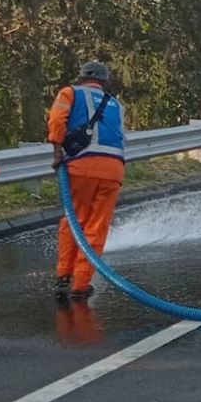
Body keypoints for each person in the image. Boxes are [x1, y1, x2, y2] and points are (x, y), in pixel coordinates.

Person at [49, 61, 126, 300]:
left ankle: (64, 276)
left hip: (81, 168)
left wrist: (57, 154)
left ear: (82, 77)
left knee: (74, 221)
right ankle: (80, 285)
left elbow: (56, 121)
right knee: (96, 227)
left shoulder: (70, 93)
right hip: (113, 170)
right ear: (104, 81)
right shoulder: (117, 104)